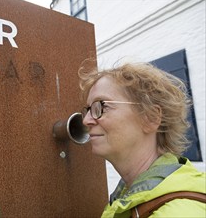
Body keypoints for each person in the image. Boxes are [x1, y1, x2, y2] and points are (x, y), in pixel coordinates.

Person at [78, 59, 206, 217]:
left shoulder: (180, 212)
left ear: (151, 117)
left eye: (101, 106)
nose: (86, 121)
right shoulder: (128, 198)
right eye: (89, 109)